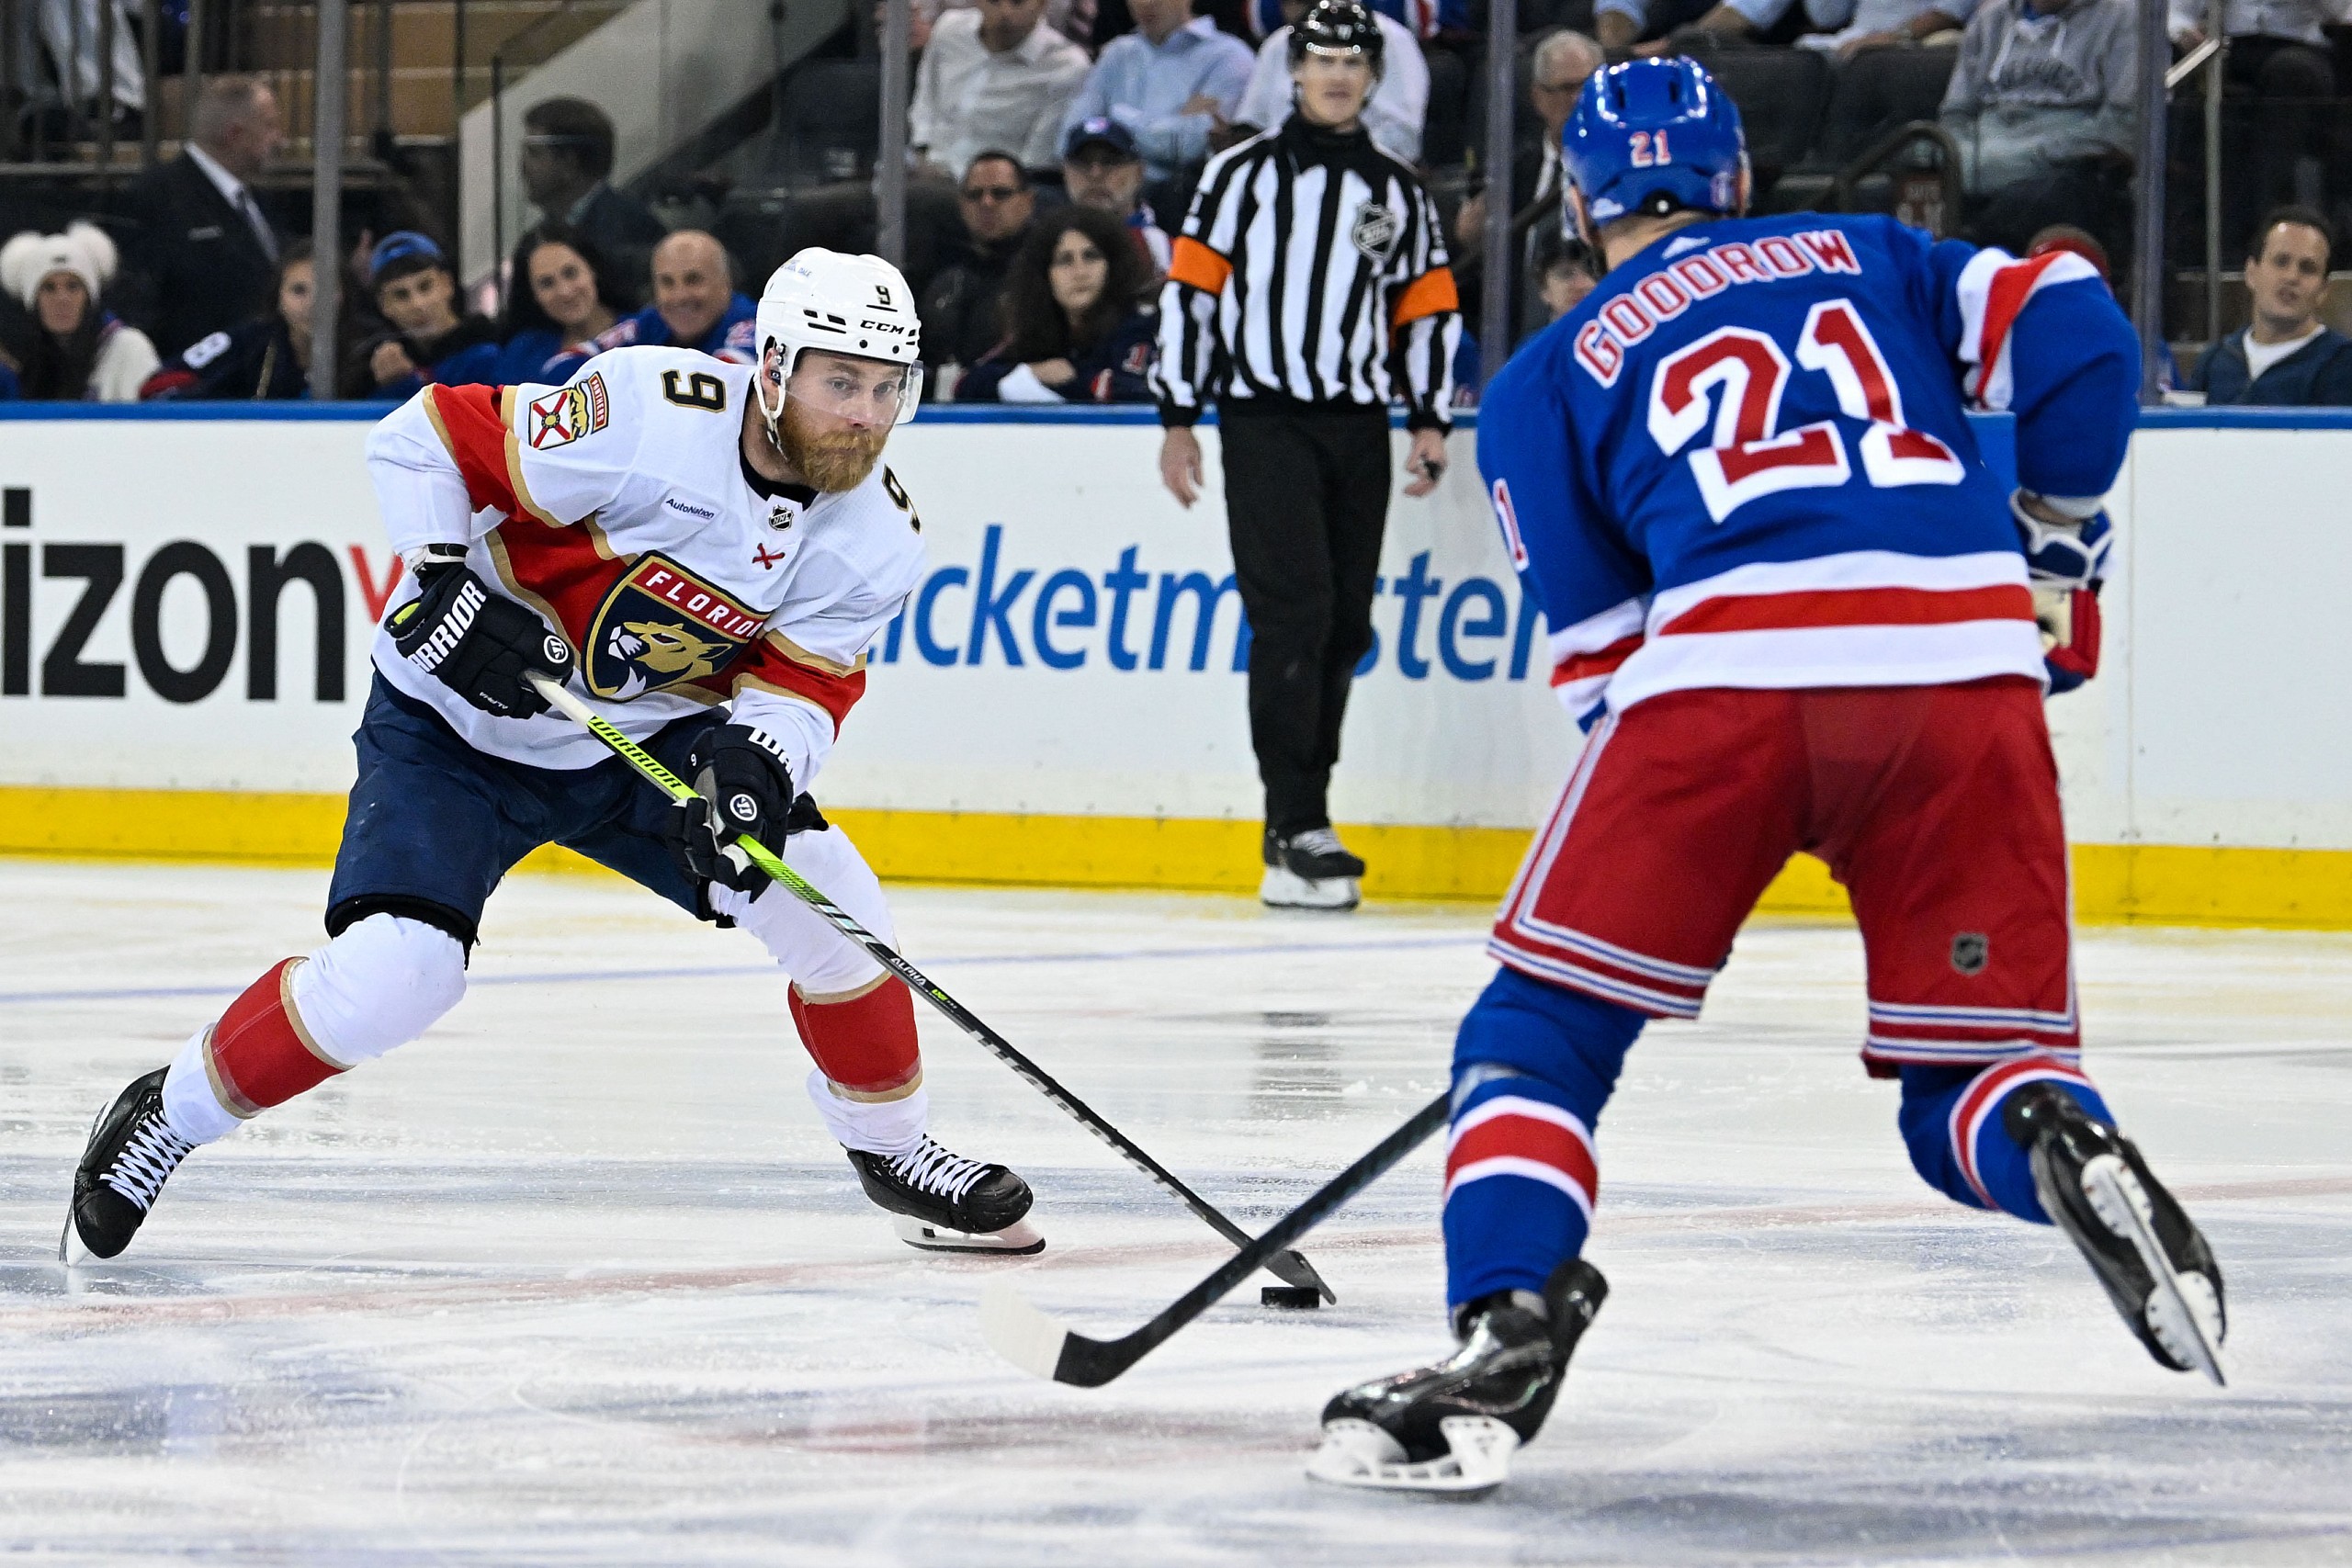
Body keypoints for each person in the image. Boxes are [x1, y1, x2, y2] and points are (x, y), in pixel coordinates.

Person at [1309, 57, 2224, 1497]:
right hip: (1962, 670)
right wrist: (2055, 546)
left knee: (1538, 1030)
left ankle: (1509, 1313)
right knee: (1970, 1083)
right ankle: (2054, 1131)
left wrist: (1667, 889)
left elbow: (1607, 670)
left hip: (1724, 680)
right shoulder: (1876, 254)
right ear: (1735, 177)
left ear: (1580, 201)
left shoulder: (1543, 378)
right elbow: (2079, 326)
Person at [62, 248, 1044, 1271]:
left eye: (887, 389)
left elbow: (806, 688)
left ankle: (893, 1151)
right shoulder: (648, 416)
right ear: (772, 368)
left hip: (640, 740)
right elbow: (420, 437)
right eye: (840, 382)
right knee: (400, 976)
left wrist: (756, 764)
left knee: (833, 905)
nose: (865, 416)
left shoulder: (877, 531)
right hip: (455, 726)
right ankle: (169, 1115)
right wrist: (443, 577)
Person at [1155, 0, 1460, 910]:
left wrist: (1429, 417)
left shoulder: (1399, 192)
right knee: (1294, 615)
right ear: (1293, 72)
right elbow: (1192, 294)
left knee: (1345, 626)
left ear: (1373, 77)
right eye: (1320, 59)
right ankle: (1298, 817)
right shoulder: (1238, 175)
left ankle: (1294, 825)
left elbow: (1425, 309)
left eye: (1351, 61)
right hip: (1265, 418)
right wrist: (1178, 414)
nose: (1335, 75)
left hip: (1358, 423)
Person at [1939, 0, 2138, 258]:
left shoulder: (2125, 17)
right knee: (1896, 190)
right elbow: (1955, 113)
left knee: (2028, 203)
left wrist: (2035, 157)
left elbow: (2123, 125)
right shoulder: (1990, 20)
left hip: (2069, 168)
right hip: (1980, 156)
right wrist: (1959, 160)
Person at [118, 75, 287, 362]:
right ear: (235, 134)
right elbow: (141, 304)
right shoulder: (156, 196)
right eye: (270, 125)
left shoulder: (258, 199)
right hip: (195, 376)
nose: (279, 139)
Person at [958, 204, 1159, 401]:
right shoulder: (1036, 332)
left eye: (1091, 257)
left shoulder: (1139, 328)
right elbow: (965, 385)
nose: (1080, 272)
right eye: (1065, 260)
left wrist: (1072, 379)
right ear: (1045, 275)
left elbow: (1134, 390)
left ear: (1112, 267)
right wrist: (1032, 372)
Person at [1057, 0, 1257, 186]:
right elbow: (1067, 140)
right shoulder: (1117, 53)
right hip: (1103, 185)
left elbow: (1191, 145)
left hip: (1181, 191)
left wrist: (1115, 119)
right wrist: (1170, 125)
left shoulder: (1230, 57)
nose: (1145, 3)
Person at [910, 0, 1094, 178]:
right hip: (928, 166)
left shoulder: (1066, 66)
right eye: (994, 1)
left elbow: (1038, 159)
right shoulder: (949, 28)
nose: (1005, 13)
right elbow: (925, 104)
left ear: (1042, 4)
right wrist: (922, 153)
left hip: (1003, 185)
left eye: (1017, 2)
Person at [2188, 208, 2352, 406]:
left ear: (2324, 290)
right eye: (2281, 262)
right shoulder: (2214, 361)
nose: (2292, 277)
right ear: (2251, 273)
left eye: (2307, 268)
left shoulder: (2343, 364)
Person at [516, 97, 668, 310]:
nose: (523, 166)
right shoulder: (539, 237)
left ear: (569, 162)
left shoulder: (630, 227)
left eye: (534, 153)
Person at [1234, 0, 1428, 162]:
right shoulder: (1279, 43)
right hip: (1281, 169)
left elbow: (1404, 138)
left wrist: (1333, 158)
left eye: (1352, 63)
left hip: (1370, 172)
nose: (1337, 77)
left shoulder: (1393, 40)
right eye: (1324, 61)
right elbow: (1252, 125)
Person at [0, 221, 159, 401]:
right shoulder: (23, 362)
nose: (62, 298)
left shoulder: (128, 348)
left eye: (73, 286)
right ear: (33, 301)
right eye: (49, 288)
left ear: (89, 297)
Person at [140, 243, 319, 400]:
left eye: (326, 289)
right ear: (278, 297)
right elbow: (157, 387)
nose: (312, 304)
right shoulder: (248, 342)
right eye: (298, 290)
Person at [921, 152, 1040, 377]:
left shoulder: (1050, 272)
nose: (987, 203)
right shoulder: (942, 277)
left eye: (1000, 193)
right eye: (975, 195)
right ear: (961, 204)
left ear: (1028, 201)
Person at [348, 231, 503, 399]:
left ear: (447, 284)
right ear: (384, 305)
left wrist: (404, 385)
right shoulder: (372, 371)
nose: (417, 304)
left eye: (425, 287)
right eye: (401, 295)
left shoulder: (493, 352)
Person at [589, 230, 758, 365]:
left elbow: (723, 381)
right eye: (667, 282)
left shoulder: (754, 326)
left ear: (725, 284)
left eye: (693, 280)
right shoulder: (652, 321)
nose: (680, 296)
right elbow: (584, 355)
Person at [499, 223, 627, 384]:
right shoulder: (523, 356)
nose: (565, 292)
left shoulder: (644, 330)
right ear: (533, 295)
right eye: (547, 283)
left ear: (592, 268)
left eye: (570, 273)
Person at [1063, 118, 1174, 275]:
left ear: (1139, 172)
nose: (1096, 174)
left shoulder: (1164, 250)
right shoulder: (1046, 244)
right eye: (1082, 162)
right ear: (1065, 172)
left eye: (1110, 162)